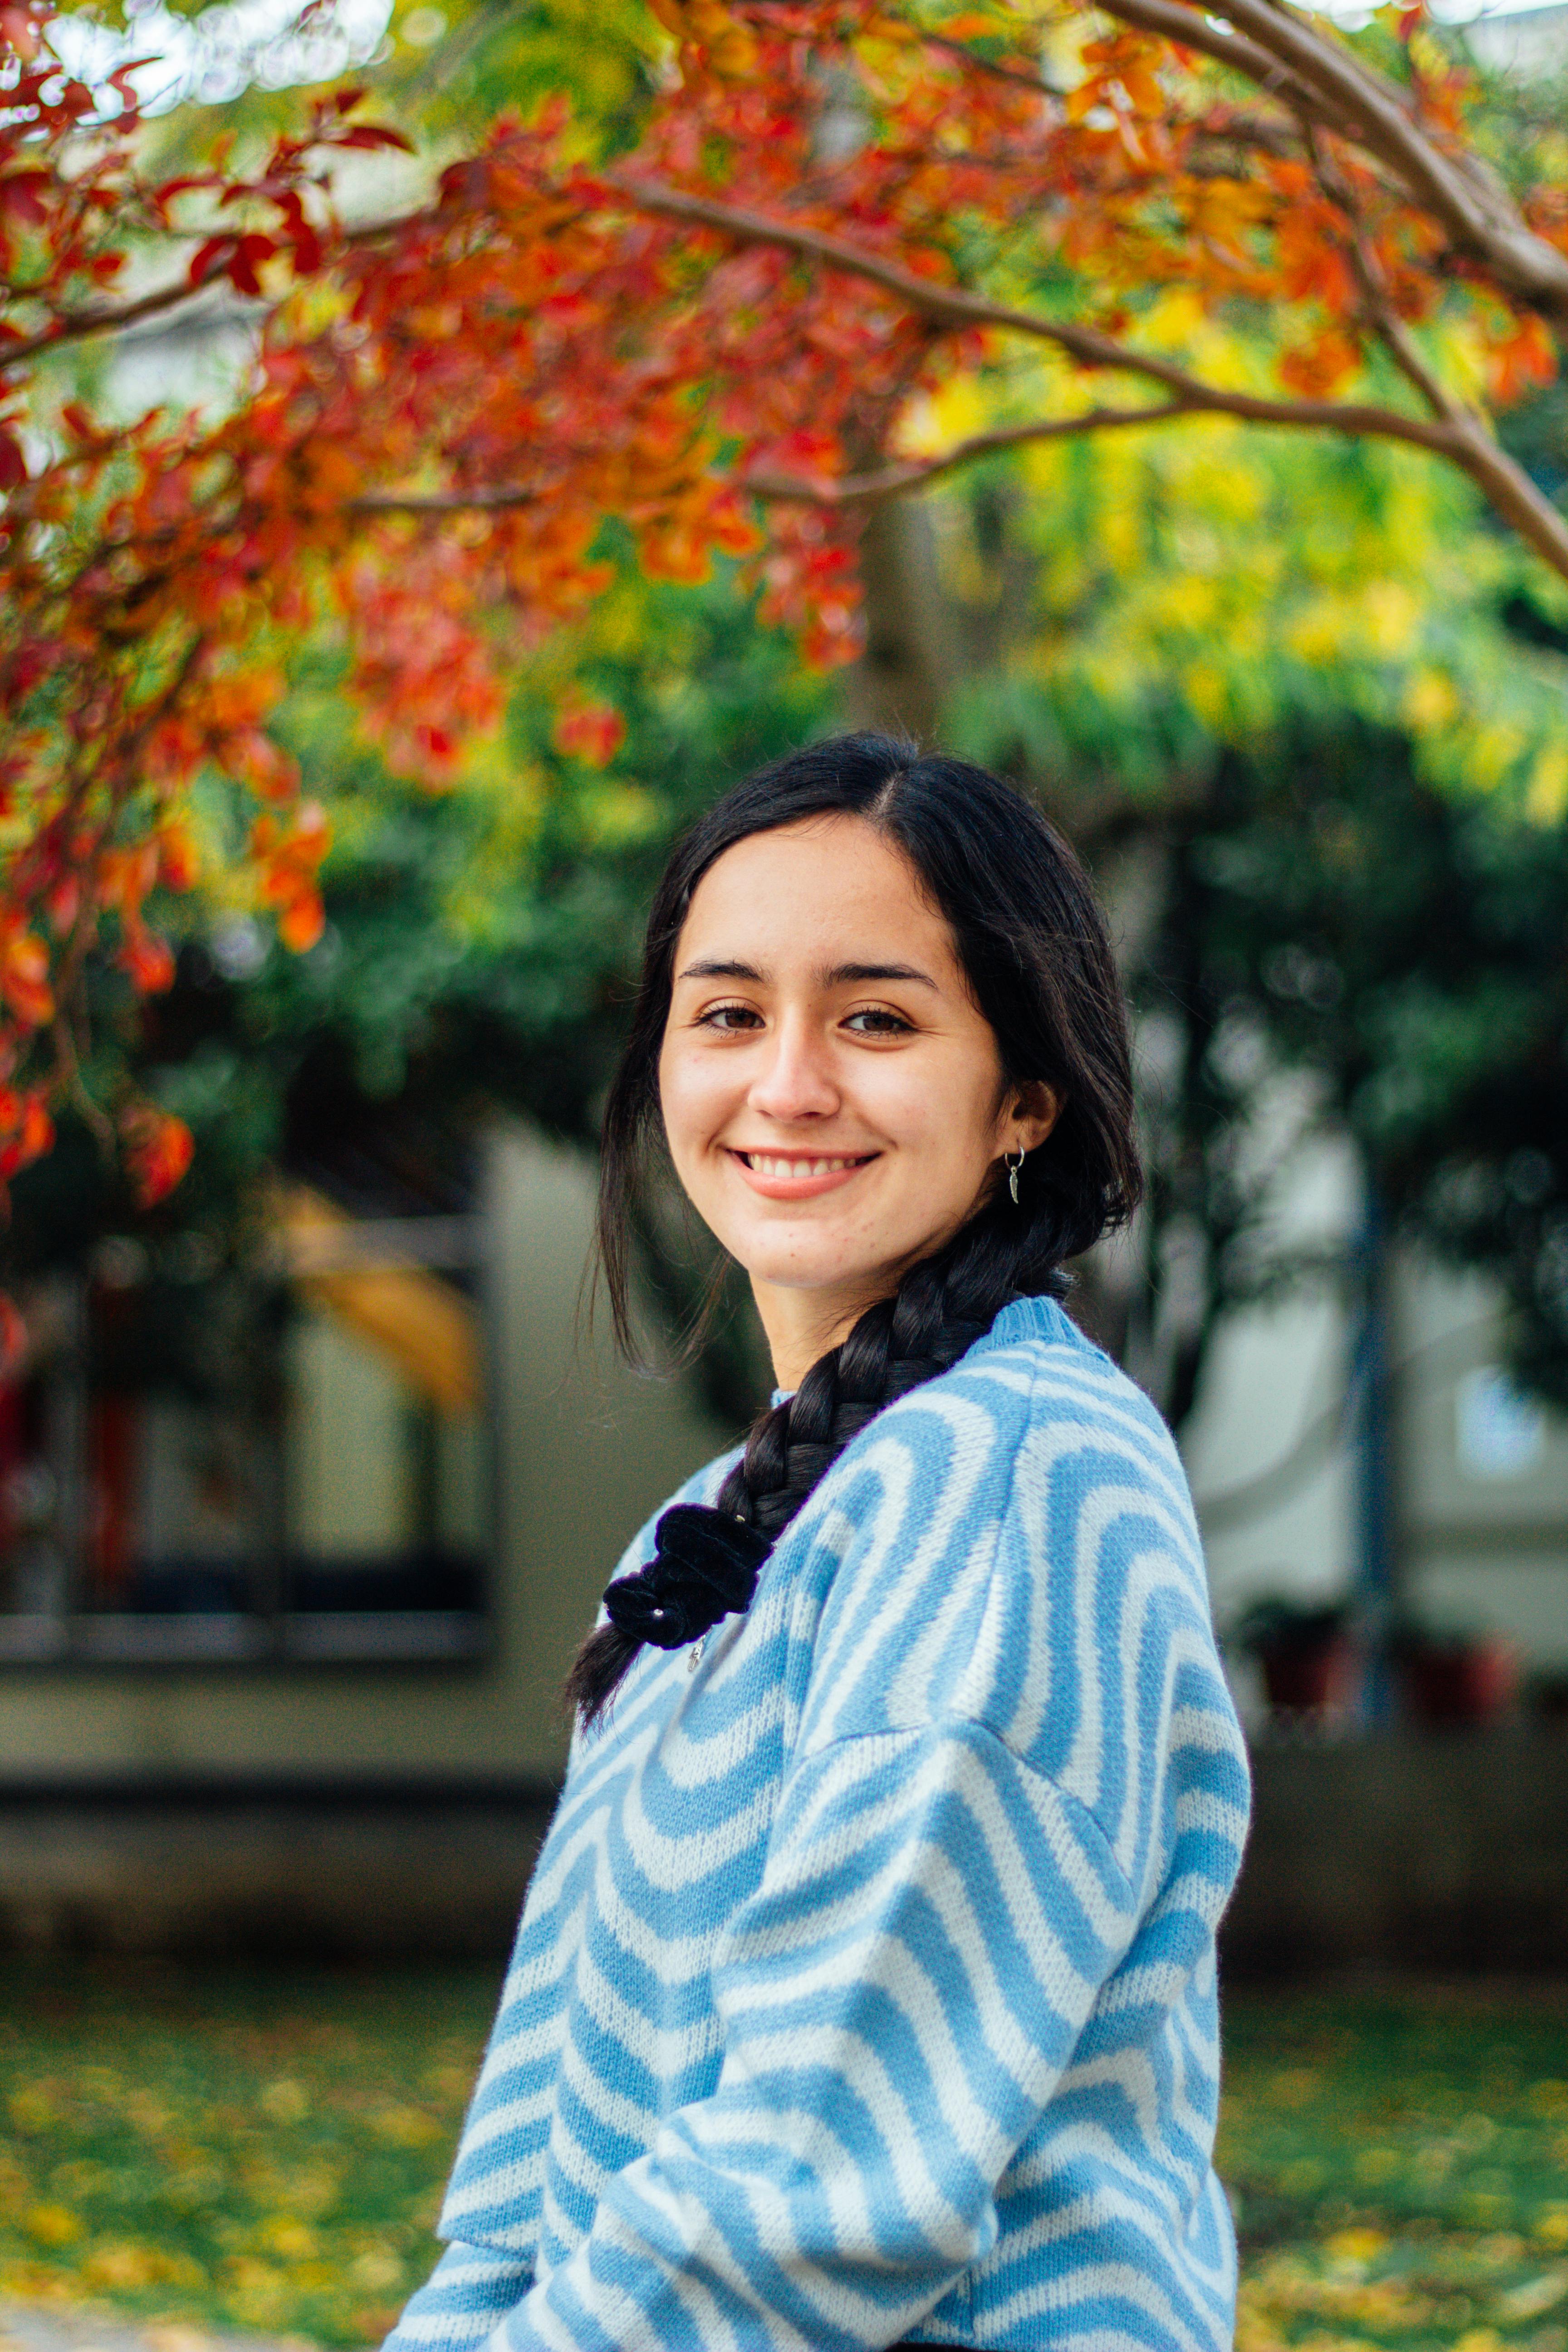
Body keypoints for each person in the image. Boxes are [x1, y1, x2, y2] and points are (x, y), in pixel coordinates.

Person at [385, 735, 1251, 2352]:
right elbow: (518, 2193)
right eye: (728, 1013)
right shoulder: (710, 1533)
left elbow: (816, 2198)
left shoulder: (1015, 1478)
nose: (787, 1082)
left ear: (1025, 1098)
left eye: (875, 1017)